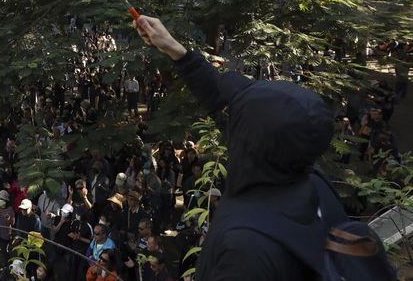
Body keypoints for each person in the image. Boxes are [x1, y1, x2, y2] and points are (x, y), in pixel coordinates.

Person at [134, 15, 340, 280]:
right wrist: (175, 49)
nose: (226, 116)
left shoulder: (246, 250)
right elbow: (219, 102)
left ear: (246, 140)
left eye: (235, 116)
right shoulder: (313, 182)